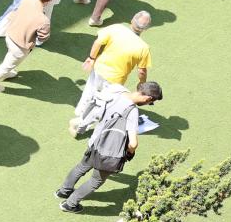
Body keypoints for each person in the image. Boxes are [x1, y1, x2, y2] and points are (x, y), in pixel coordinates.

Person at [57, 82, 164, 213]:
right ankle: (70, 204)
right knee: (96, 181)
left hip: (95, 142)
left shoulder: (117, 93)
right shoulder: (132, 111)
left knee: (81, 167)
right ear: (148, 98)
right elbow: (133, 143)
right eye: (150, 102)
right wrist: (129, 152)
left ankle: (63, 191)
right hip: (109, 153)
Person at [70, 12, 153, 136]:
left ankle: (80, 111)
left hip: (99, 68)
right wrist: (142, 85)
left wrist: (91, 58)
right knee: (103, 102)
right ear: (146, 29)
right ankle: (82, 123)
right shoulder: (143, 48)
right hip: (116, 79)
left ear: (131, 20)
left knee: (90, 90)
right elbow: (141, 71)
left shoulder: (117, 28)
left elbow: (98, 42)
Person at [0, 0, 58, 92]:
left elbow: (15, 13)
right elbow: (43, 37)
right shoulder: (44, 20)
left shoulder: (27, 1)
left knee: (9, 58)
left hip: (10, 35)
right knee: (6, 66)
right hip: (20, 47)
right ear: (49, 1)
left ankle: (6, 73)